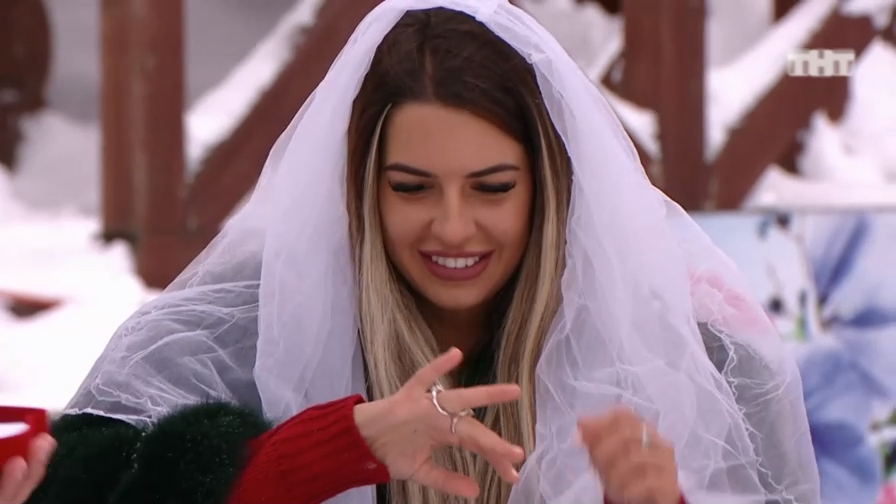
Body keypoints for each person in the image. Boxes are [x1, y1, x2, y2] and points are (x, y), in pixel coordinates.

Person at [0, 0, 821, 503]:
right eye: (412, 187)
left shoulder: (673, 361)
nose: (453, 227)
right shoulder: (231, 341)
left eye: (491, 188)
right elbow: (88, 488)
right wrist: (335, 449)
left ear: (549, 188)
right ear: (360, 188)